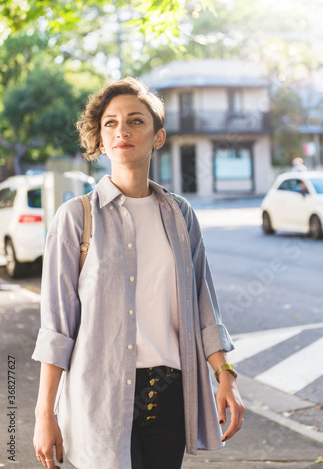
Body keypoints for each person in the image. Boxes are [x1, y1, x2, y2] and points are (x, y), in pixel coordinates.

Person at [32, 77, 244, 469]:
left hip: (170, 396)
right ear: (99, 137)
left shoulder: (181, 216)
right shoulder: (76, 218)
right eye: (110, 123)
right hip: (100, 395)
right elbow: (57, 328)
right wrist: (44, 413)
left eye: (135, 120)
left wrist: (225, 375)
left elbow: (203, 305)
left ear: (158, 136)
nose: (122, 131)